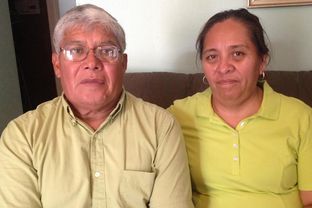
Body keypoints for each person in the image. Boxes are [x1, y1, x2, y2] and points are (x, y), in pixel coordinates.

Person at [0, 4, 194, 208]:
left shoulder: (161, 127)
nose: (91, 62)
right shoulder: (22, 136)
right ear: (57, 65)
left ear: (123, 63)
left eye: (107, 51)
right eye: (76, 50)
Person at [168, 8, 312, 208]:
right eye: (212, 57)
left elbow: (309, 200)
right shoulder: (177, 116)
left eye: (237, 54)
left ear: (262, 61)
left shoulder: (301, 117)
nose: (223, 67)